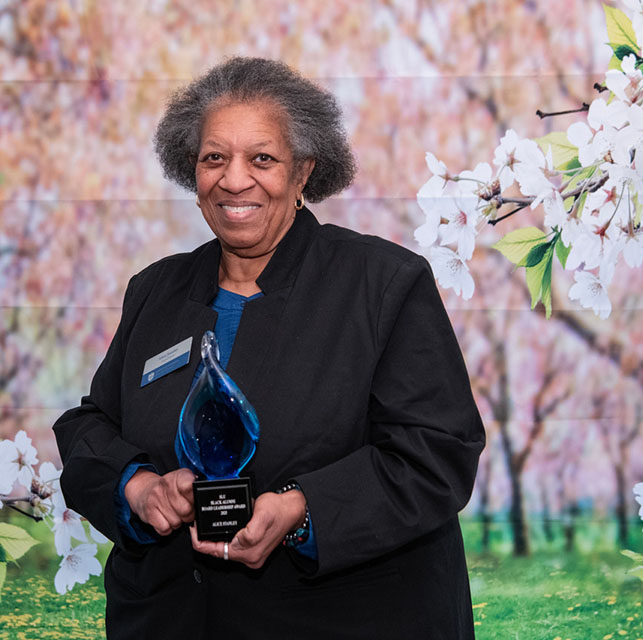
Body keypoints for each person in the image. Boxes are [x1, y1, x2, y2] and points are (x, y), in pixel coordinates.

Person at [53, 57, 485, 639]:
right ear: (192, 170)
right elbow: (91, 424)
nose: (234, 180)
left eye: (262, 158)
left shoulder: (383, 283)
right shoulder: (155, 289)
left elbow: (437, 452)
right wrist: (137, 486)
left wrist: (301, 509)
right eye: (214, 158)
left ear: (304, 171)